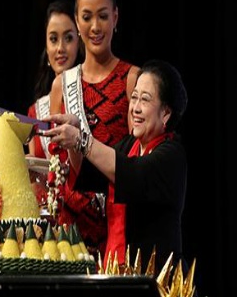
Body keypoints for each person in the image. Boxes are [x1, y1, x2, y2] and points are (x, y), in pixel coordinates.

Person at [44, 59, 187, 270]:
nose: (135, 108)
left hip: (156, 278)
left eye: (145, 100)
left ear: (165, 113)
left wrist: (81, 140)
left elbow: (132, 173)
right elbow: (89, 172)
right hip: (118, 270)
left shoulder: (171, 154)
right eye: (134, 97)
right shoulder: (130, 145)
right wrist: (74, 139)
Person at [48, 0, 140, 257]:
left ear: (116, 17)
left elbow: (137, 162)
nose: (95, 27)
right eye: (87, 17)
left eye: (103, 16)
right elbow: (57, 166)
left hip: (118, 228)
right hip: (70, 234)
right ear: (76, 21)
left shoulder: (132, 79)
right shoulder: (62, 86)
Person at [27, 0, 82, 159]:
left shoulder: (90, 97)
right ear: (46, 46)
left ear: (79, 42)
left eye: (68, 38)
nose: (60, 48)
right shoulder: (35, 112)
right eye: (53, 39)